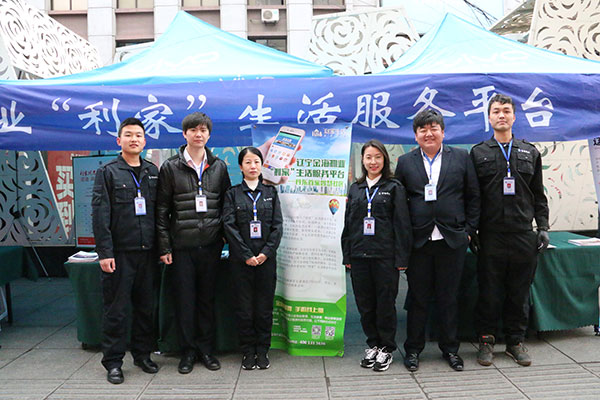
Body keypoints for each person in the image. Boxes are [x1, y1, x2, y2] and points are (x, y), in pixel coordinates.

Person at [394, 109, 480, 372]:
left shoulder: (461, 157)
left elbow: (473, 196)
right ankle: (413, 350)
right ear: (415, 135)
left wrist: (468, 231)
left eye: (433, 128)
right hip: (419, 241)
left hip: (451, 240)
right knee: (418, 298)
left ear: (443, 132)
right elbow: (399, 203)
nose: (428, 133)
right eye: (423, 129)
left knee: (448, 297)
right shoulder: (405, 162)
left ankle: (450, 349)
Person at [470, 94, 550, 367]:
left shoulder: (530, 152)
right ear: (489, 118)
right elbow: (473, 196)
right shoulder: (478, 153)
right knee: (489, 291)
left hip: (522, 234)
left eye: (506, 111)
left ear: (514, 117)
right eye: (496, 111)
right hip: (490, 235)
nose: (501, 115)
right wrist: (472, 230)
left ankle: (515, 341)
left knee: (519, 292)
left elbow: (538, 195)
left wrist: (543, 227)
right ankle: (486, 340)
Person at [156, 112, 231, 374]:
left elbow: (226, 206)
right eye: (193, 130)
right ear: (184, 134)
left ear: (209, 135)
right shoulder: (170, 167)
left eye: (203, 130)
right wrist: (164, 246)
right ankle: (187, 352)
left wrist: (225, 237)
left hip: (210, 245)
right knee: (185, 301)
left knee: (206, 301)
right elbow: (162, 210)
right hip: (182, 247)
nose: (199, 134)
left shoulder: (219, 166)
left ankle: (206, 350)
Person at [92, 117, 159, 384]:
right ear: (119, 140)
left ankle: (142, 355)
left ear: (145, 141)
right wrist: (105, 253)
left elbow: (160, 213)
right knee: (116, 311)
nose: (134, 139)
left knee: (146, 308)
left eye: (138, 135)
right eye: (129, 135)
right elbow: (100, 215)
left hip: (148, 252)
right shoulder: (108, 172)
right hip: (119, 254)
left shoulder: (153, 171)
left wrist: (162, 248)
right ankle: (113, 362)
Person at [341, 139, 412, 372]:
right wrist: (347, 255)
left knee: (385, 304)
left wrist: (401, 258)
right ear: (362, 160)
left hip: (385, 257)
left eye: (377, 157)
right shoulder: (356, 188)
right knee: (365, 304)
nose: (373, 162)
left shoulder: (394, 187)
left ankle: (386, 348)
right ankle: (372, 344)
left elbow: (402, 225)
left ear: (385, 159)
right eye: (369, 157)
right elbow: (349, 224)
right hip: (359, 255)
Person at [223, 147, 283, 370]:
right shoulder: (232, 194)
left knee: (264, 308)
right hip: (241, 262)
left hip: (266, 260)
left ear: (261, 165)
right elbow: (229, 226)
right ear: (240, 167)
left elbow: (277, 226)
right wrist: (246, 255)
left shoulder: (270, 193)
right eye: (248, 162)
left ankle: (262, 350)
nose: (253, 166)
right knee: (244, 308)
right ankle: (248, 351)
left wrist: (265, 253)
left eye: (256, 162)